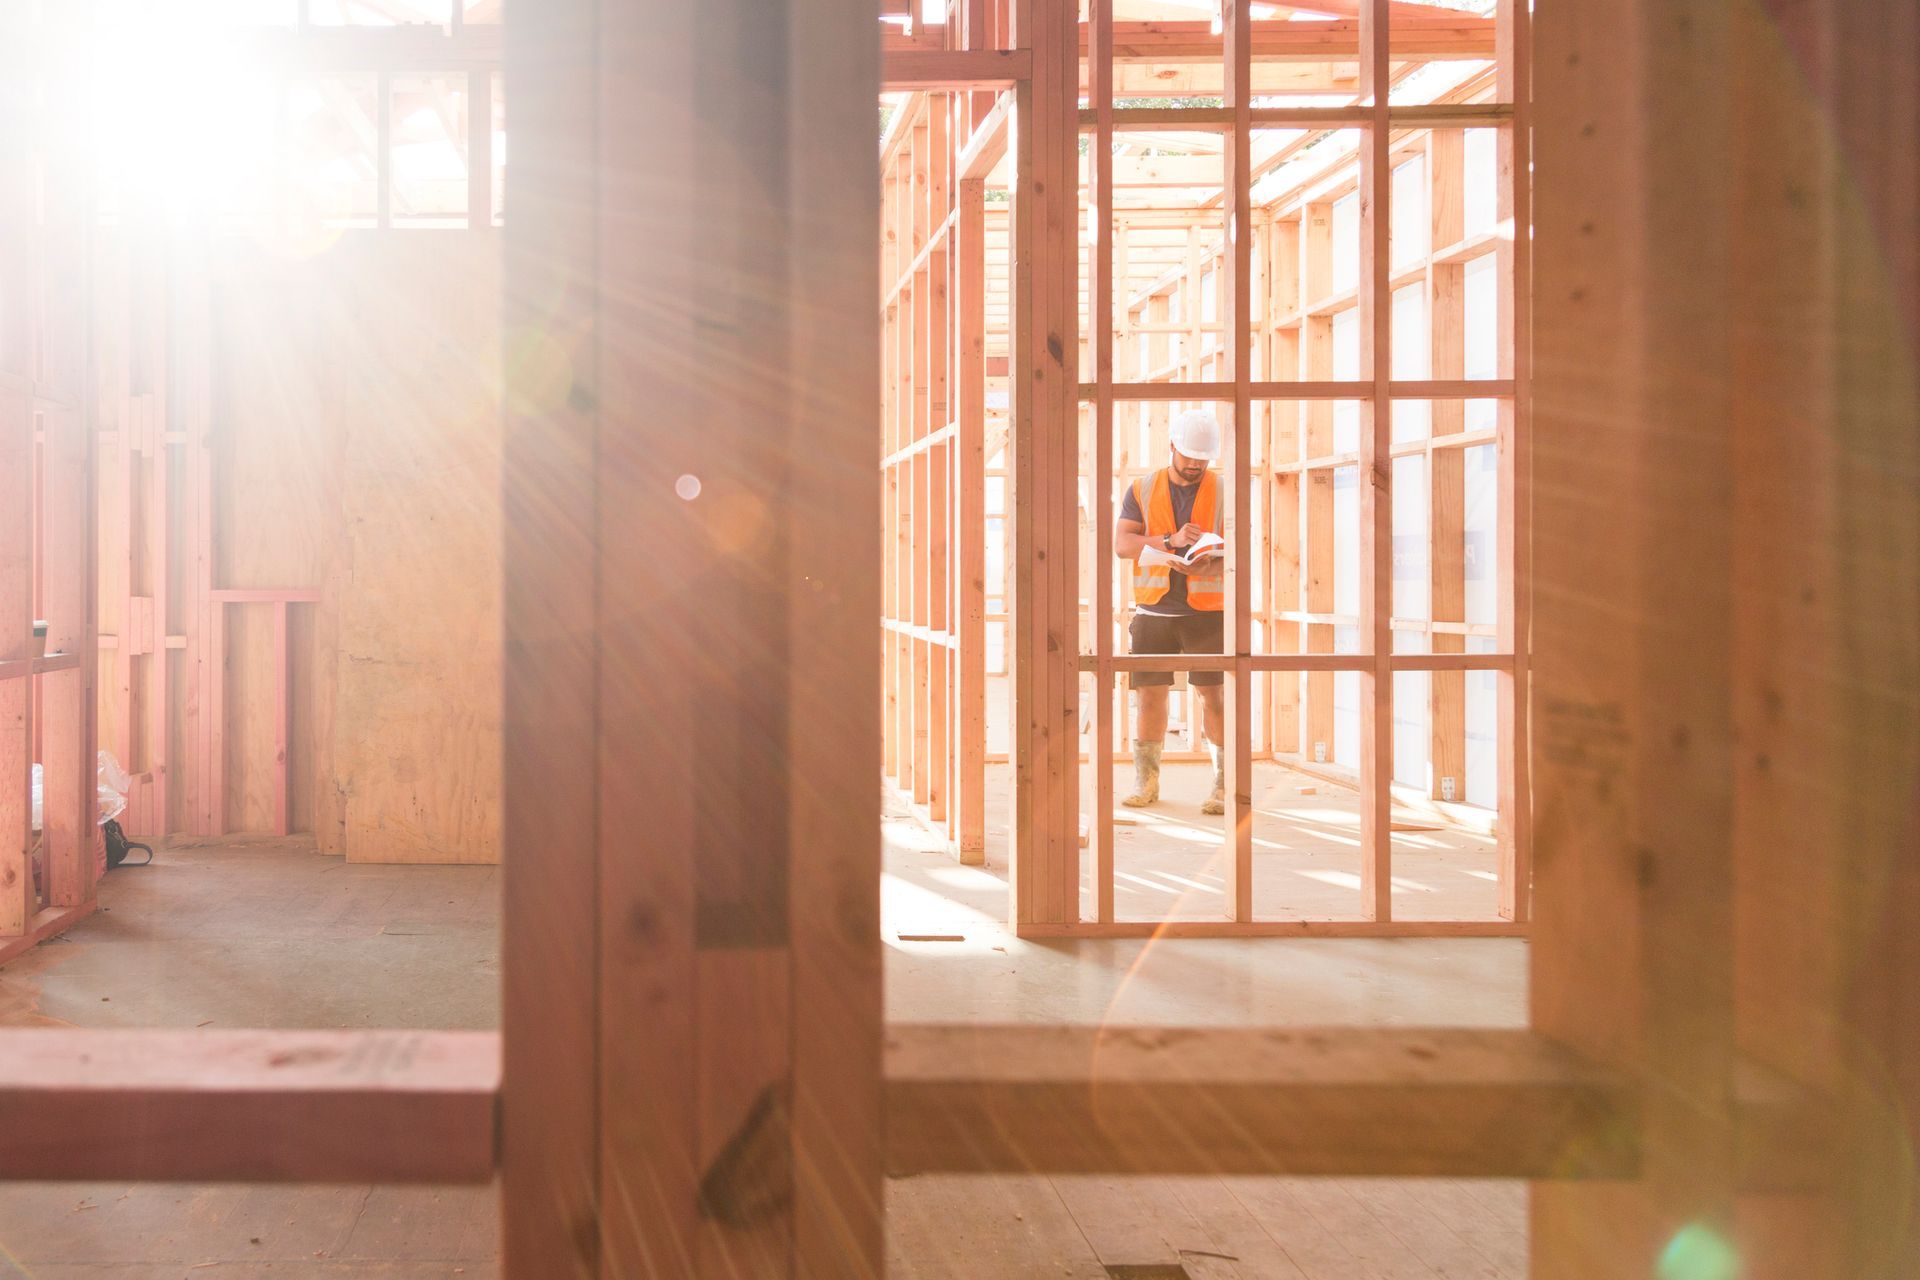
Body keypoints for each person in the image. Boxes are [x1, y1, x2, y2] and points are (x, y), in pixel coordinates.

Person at [1114, 408, 1226, 815]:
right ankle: (1145, 782)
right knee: (1150, 697)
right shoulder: (1142, 489)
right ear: (1173, 446)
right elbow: (1123, 546)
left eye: (1203, 458)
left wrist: (1207, 565)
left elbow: (1241, 550)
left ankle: (1224, 785)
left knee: (1214, 697)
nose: (1196, 464)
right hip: (1154, 612)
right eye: (1190, 455)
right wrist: (1170, 541)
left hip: (1208, 612)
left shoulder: (1224, 490)